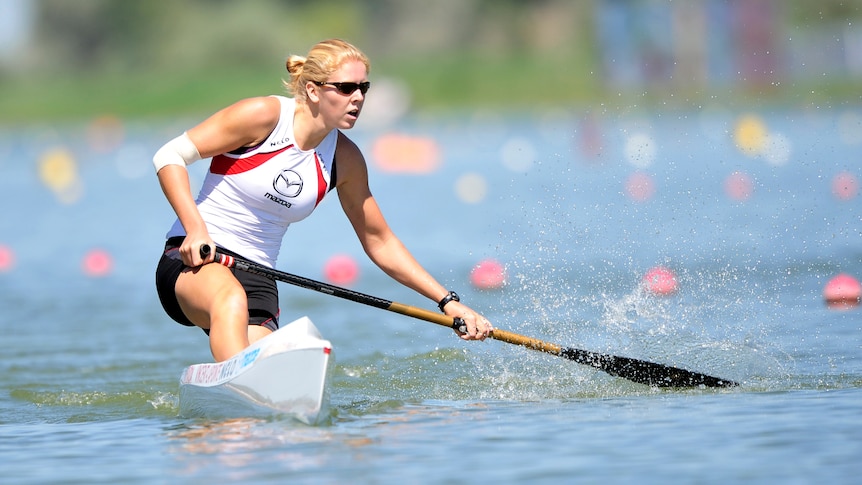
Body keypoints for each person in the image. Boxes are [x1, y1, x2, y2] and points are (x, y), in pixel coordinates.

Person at [154, 38, 493, 362]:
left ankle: (237, 411)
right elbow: (170, 156)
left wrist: (447, 301)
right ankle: (236, 401)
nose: (358, 98)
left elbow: (379, 241)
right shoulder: (264, 116)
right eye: (346, 88)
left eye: (364, 88)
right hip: (195, 259)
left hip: (259, 278)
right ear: (313, 91)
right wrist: (196, 229)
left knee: (275, 368)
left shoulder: (345, 159)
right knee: (230, 300)